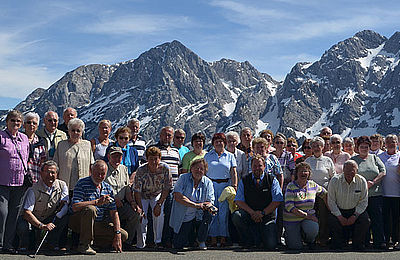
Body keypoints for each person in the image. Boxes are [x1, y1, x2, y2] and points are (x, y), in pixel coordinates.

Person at [69, 160, 128, 255]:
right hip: (79, 220)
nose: (100, 176)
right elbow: (75, 206)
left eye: (103, 174)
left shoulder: (107, 188)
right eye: (97, 173)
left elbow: (114, 212)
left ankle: (96, 243)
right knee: (91, 209)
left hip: (97, 223)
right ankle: (84, 245)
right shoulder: (82, 183)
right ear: (91, 171)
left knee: (124, 235)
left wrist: (117, 234)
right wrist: (96, 202)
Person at [232, 155, 283, 249]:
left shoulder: (272, 180)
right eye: (254, 166)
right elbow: (239, 201)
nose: (257, 168)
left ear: (264, 166)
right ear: (251, 167)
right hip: (250, 215)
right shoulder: (244, 180)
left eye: (260, 166)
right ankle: (248, 240)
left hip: (267, 216)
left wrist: (262, 213)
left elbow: (277, 200)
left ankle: (260, 239)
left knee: (271, 245)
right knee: (237, 216)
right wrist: (253, 213)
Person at [16, 160, 69, 251]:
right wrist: (42, 226)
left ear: (57, 174)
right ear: (41, 173)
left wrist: (57, 215)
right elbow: (27, 213)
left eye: (53, 172)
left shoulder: (62, 185)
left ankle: (51, 243)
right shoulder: (33, 189)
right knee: (23, 227)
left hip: (48, 216)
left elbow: (64, 204)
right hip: (31, 219)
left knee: (64, 217)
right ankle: (23, 245)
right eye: (47, 172)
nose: (50, 175)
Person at [0, 110, 30, 253]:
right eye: (13, 120)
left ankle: (8, 244)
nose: (15, 123)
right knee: (2, 213)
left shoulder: (24, 139)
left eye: (18, 121)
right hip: (2, 182)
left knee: (13, 215)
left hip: (19, 184)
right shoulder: (1, 137)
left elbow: (26, 158)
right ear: (7, 122)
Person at [169, 158, 215, 250]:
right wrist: (196, 205)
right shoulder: (183, 178)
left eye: (201, 169)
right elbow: (178, 196)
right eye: (196, 168)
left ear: (205, 171)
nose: (199, 171)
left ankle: (201, 240)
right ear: (191, 169)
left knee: (210, 214)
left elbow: (210, 200)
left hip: (199, 216)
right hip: (184, 216)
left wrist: (209, 206)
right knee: (178, 245)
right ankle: (190, 239)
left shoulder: (208, 182)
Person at [133, 146, 172, 248]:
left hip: (157, 193)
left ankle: (157, 241)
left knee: (159, 215)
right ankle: (140, 244)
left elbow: (166, 188)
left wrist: (159, 204)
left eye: (156, 159)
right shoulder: (141, 170)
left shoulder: (165, 168)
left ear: (159, 158)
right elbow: (137, 190)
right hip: (143, 195)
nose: (154, 161)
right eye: (151, 159)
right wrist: (140, 208)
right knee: (142, 217)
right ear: (147, 159)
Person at [352, 136, 386, 249]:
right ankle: (363, 242)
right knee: (363, 220)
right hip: (360, 195)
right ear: (358, 148)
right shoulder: (353, 160)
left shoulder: (374, 158)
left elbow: (383, 171)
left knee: (377, 219)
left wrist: (373, 182)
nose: (364, 149)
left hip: (375, 194)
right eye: (362, 147)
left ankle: (379, 242)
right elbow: (349, 175)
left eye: (366, 147)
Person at [284, 162, 327, 250]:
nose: (303, 173)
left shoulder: (312, 185)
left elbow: (325, 194)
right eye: (300, 171)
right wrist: (308, 216)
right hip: (292, 219)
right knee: (295, 247)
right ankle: (289, 235)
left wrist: (329, 207)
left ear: (309, 173)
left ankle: (309, 240)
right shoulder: (291, 186)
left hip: (307, 218)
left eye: (305, 171)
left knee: (313, 229)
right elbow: (289, 206)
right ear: (296, 173)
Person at [204, 133, 238, 247]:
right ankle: (213, 238)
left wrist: (234, 186)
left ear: (225, 143)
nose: (219, 143)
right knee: (213, 212)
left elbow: (233, 172)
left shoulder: (230, 156)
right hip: (211, 185)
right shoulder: (208, 156)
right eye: (216, 141)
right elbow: (204, 172)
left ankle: (223, 238)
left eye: (221, 141)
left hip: (225, 186)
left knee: (223, 213)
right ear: (213, 143)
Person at [328, 160, 370, 250]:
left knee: (365, 220)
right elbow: (331, 201)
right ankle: (338, 244)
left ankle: (358, 244)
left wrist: (355, 216)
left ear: (357, 170)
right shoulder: (335, 180)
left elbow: (363, 202)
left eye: (352, 170)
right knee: (332, 220)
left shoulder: (362, 181)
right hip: (339, 211)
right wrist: (339, 216)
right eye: (347, 170)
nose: (349, 173)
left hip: (355, 211)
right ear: (343, 170)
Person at [105, 146, 141, 248]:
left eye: (119, 157)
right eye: (114, 156)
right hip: (107, 205)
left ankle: (127, 242)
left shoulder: (124, 169)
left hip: (121, 203)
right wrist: (113, 200)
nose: (117, 159)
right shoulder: (104, 169)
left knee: (136, 213)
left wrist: (133, 202)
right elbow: (100, 189)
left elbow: (127, 189)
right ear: (109, 157)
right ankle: (108, 241)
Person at [150, 126, 180, 247]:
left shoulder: (176, 152)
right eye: (165, 134)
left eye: (169, 135)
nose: (167, 137)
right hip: (158, 189)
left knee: (169, 214)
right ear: (160, 135)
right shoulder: (153, 149)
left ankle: (166, 239)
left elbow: (179, 168)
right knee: (155, 214)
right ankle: (153, 240)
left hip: (173, 189)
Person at [305, 136, 335, 246]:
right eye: (314, 146)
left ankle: (323, 239)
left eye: (318, 145)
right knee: (312, 215)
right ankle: (312, 239)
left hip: (324, 193)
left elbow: (333, 177)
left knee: (323, 216)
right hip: (311, 193)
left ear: (322, 147)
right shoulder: (308, 161)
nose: (316, 148)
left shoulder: (328, 160)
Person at [54, 118, 94, 191]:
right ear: (68, 131)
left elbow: (91, 165)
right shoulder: (61, 145)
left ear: (82, 132)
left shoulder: (87, 145)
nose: (75, 133)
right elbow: (55, 165)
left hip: (83, 185)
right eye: (73, 130)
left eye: (78, 131)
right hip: (65, 185)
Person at [378, 134, 400, 249]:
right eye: (389, 141)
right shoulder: (380, 156)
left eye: (394, 141)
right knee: (386, 219)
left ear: (397, 143)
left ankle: (397, 240)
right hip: (383, 193)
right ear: (385, 144)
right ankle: (387, 240)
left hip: (397, 193)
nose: (391, 143)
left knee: (397, 218)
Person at [23, 112, 46, 183]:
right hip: (20, 180)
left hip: (35, 179)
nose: (31, 125)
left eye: (34, 123)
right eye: (29, 122)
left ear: (37, 126)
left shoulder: (40, 142)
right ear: (24, 125)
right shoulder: (18, 140)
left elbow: (42, 162)